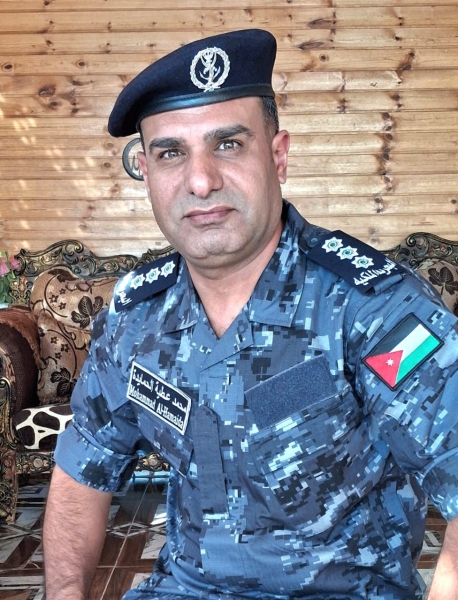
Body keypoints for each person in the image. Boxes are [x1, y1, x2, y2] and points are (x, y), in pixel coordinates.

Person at [42, 28, 458, 600]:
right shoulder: (136, 317)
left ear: (278, 156)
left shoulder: (371, 308)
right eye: (170, 153)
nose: (200, 180)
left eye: (229, 144)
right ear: (147, 172)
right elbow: (83, 464)